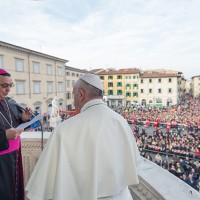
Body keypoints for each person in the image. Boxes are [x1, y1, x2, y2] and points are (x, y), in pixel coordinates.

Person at [26, 73, 141, 200]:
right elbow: (134, 161)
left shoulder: (64, 130)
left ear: (81, 94)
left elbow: (43, 185)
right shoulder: (121, 121)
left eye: (73, 95)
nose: (73, 100)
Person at [0, 69, 33, 200]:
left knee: (15, 190)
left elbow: (15, 123)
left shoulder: (9, 103)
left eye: (10, 85)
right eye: (4, 86)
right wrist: (4, 136)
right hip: (2, 162)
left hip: (15, 156)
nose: (8, 90)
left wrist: (24, 119)